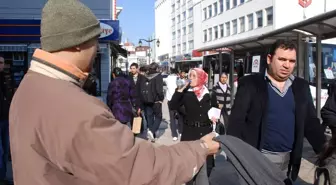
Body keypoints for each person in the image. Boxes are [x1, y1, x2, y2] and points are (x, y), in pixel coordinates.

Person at [8, 1, 220, 185]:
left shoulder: (29, 87)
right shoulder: (73, 107)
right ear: (79, 44)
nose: (95, 50)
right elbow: (136, 167)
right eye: (95, 42)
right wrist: (199, 149)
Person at [228, 39, 326, 181]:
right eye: (282, 59)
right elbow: (237, 121)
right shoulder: (250, 84)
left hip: (289, 161)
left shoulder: (301, 87)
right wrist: (234, 154)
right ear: (269, 59)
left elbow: (311, 123)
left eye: (291, 61)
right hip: (258, 159)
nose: (287, 65)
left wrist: (327, 153)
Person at [170, 68, 217, 185]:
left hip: (206, 133)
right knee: (190, 169)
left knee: (206, 169)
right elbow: (172, 105)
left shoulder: (209, 94)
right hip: (189, 134)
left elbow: (216, 109)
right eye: (190, 75)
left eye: (194, 76)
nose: (190, 78)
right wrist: (179, 90)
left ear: (201, 78)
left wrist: (215, 118)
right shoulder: (186, 93)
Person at [140, 62, 164, 141]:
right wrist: (161, 98)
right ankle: (152, 131)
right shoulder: (158, 76)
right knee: (158, 116)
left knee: (149, 117)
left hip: (146, 100)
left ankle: (152, 134)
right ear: (156, 68)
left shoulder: (145, 75)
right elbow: (159, 90)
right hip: (156, 100)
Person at [0, 56, 11, 185]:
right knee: (0, 150)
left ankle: (3, 177)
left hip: (5, 119)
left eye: (2, 62)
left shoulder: (6, 79)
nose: (0, 65)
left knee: (6, 149)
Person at [164, 68, 183, 141]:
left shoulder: (167, 79)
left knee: (172, 119)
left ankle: (174, 135)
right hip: (178, 100)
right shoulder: (179, 79)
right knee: (180, 117)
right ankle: (181, 132)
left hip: (170, 101)